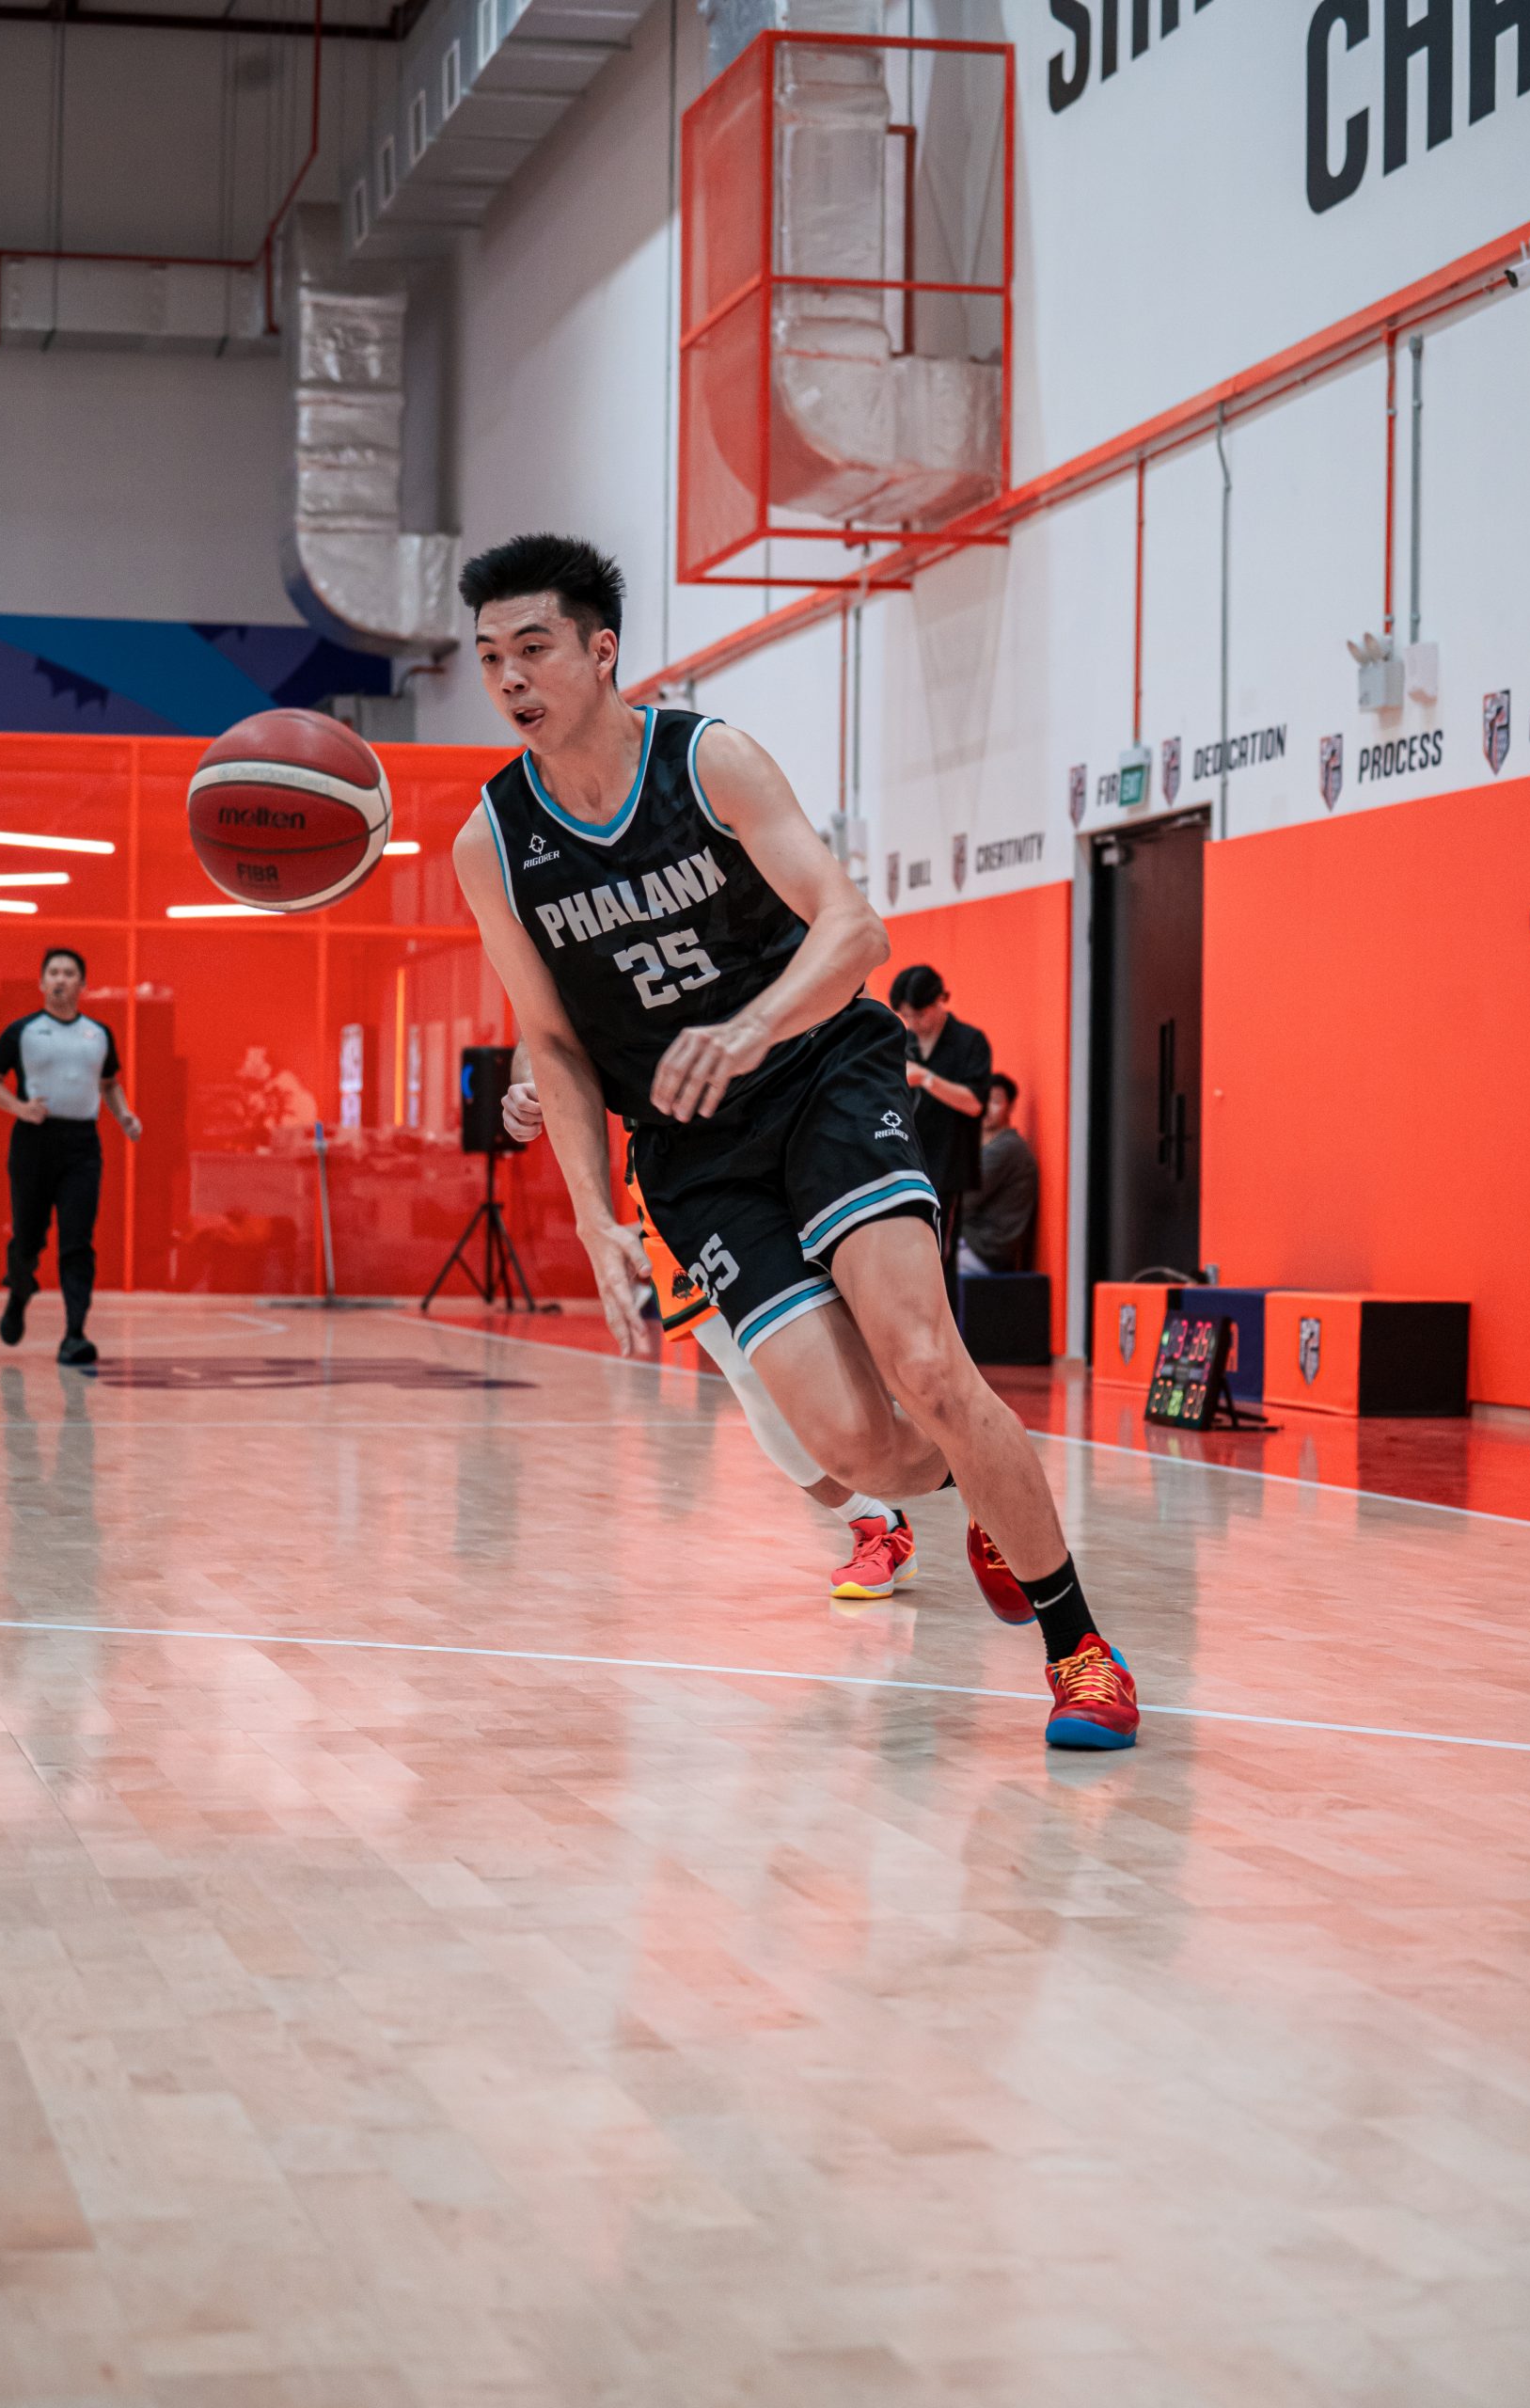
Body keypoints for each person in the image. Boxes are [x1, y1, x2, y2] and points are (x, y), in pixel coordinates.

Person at [450, 531, 1137, 1749]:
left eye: (534, 648)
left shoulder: (706, 760)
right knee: (853, 1447)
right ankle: (977, 1478)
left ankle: (1079, 1650)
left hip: (821, 1074)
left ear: (601, 652)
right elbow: (549, 1041)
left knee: (925, 1361)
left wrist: (749, 1027)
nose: (510, 677)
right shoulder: (491, 842)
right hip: (691, 1153)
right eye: (490, 655)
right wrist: (593, 1216)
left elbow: (855, 930)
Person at [501, 1053, 919, 1602]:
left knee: (891, 1347)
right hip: (674, 1171)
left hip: (788, 1123)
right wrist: (527, 1088)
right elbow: (540, 1041)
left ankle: (984, 1481)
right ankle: (875, 1523)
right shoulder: (568, 991)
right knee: (754, 1378)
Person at [0, 945, 142, 1367]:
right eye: (53, 972)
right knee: (28, 1238)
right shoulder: (22, 1031)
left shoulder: (99, 1034)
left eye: (69, 973)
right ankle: (19, 1292)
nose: (61, 979)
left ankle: (75, 1334)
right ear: (42, 982)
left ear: (82, 984)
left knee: (77, 1241)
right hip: (34, 1142)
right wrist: (20, 1108)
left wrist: (124, 1115)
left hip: (82, 1146)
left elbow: (109, 1084)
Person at [887, 964, 992, 1286]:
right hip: (905, 1163)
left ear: (940, 1000)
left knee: (939, 1258)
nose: (914, 1023)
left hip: (947, 1166)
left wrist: (926, 1078)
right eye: (907, 1016)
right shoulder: (903, 1043)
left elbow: (975, 1103)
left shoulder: (969, 1041)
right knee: (902, 1257)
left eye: (919, 1014)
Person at [958, 1073, 1038, 1278]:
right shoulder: (988, 1146)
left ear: (1010, 1107)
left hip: (985, 1250)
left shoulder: (1007, 1148)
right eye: (982, 1099)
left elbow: (962, 1200)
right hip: (974, 1243)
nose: (986, 1108)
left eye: (995, 1101)